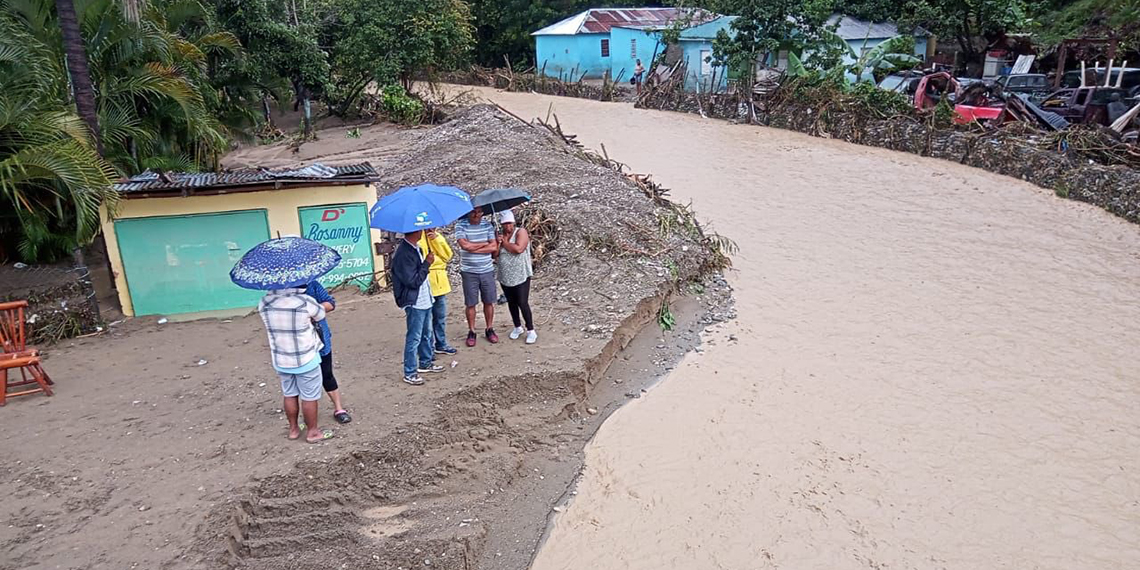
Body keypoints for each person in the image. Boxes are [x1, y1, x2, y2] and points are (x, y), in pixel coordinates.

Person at [258, 286, 333, 443]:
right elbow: (320, 314)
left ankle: (293, 429)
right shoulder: (304, 301)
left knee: (289, 393)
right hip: (306, 357)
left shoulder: (265, 302)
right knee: (309, 397)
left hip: (281, 359)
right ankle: (312, 432)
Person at [392, 229, 444, 385]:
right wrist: (427, 263)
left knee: (426, 333)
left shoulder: (416, 248)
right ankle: (409, 372)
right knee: (414, 337)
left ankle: (425, 362)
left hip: (424, 298)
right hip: (414, 301)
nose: (422, 232)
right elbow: (412, 281)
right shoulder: (403, 253)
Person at [304, 280, 351, 424]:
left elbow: (330, 303)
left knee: (327, 373)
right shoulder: (281, 293)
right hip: (299, 346)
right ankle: (306, 418)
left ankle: (339, 408)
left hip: (320, 337)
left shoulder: (312, 285)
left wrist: (314, 311)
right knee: (302, 382)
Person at [454, 206, 499, 347]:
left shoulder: (487, 225)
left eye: (478, 212)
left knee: (489, 301)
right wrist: (485, 244)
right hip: (469, 270)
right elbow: (464, 246)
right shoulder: (460, 225)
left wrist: (475, 246)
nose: (475, 214)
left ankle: (489, 328)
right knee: (471, 303)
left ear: (482, 213)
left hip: (486, 269)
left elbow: (494, 248)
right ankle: (472, 330)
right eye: (473, 211)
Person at [496, 210, 537, 344]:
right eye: (505, 224)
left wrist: (505, 243)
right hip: (505, 274)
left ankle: (531, 329)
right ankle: (517, 326)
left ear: (513, 223)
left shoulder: (521, 232)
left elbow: (518, 249)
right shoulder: (500, 236)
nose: (508, 227)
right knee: (511, 302)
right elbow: (494, 255)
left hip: (520, 273)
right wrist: (498, 243)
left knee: (522, 302)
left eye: (509, 223)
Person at [419, 229, 458, 356]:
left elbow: (447, 256)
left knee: (440, 317)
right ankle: (427, 348)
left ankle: (441, 344)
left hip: (440, 282)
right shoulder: (418, 238)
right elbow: (423, 260)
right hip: (426, 281)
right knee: (427, 319)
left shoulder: (438, 236)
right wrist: (435, 260)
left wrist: (436, 240)